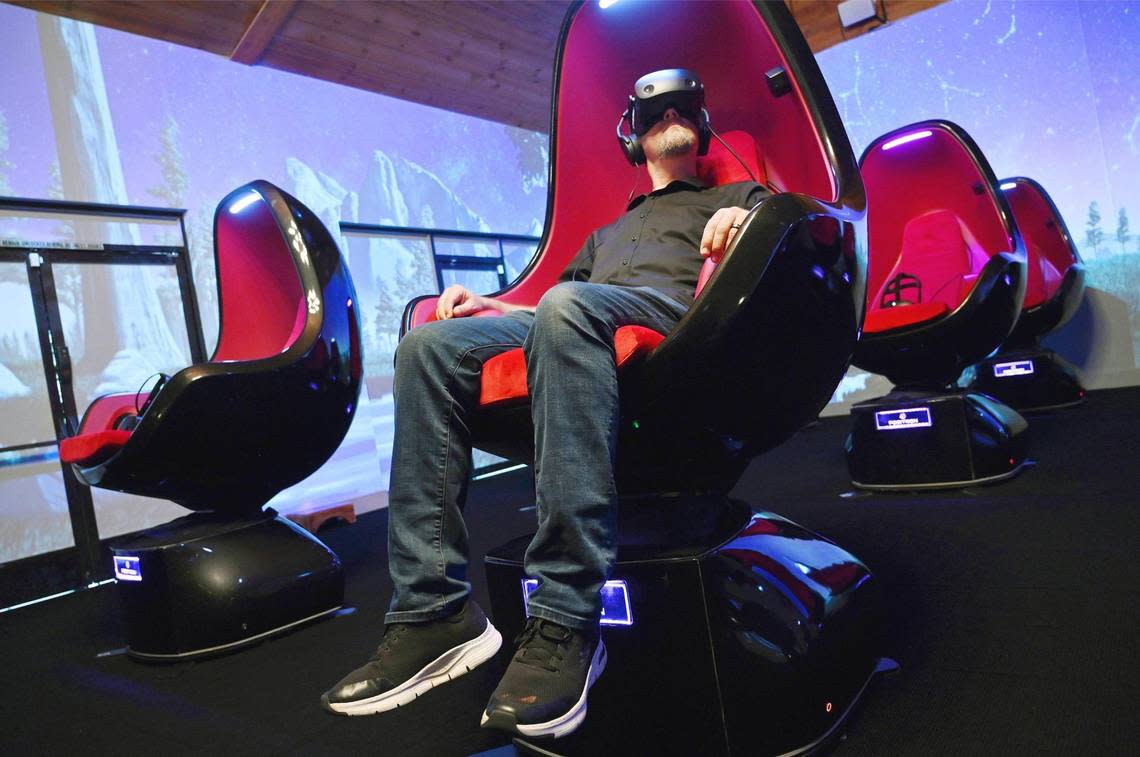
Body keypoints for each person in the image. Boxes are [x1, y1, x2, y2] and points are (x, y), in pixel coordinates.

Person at [321, 69, 768, 738]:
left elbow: (788, 226)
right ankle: (432, 611)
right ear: (634, 139)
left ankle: (567, 614)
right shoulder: (608, 233)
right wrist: (491, 308)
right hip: (582, 314)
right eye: (651, 114)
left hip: (680, 320)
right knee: (429, 347)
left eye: (680, 108)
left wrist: (747, 220)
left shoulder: (735, 195)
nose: (666, 117)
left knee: (567, 308)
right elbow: (549, 306)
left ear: (701, 128)